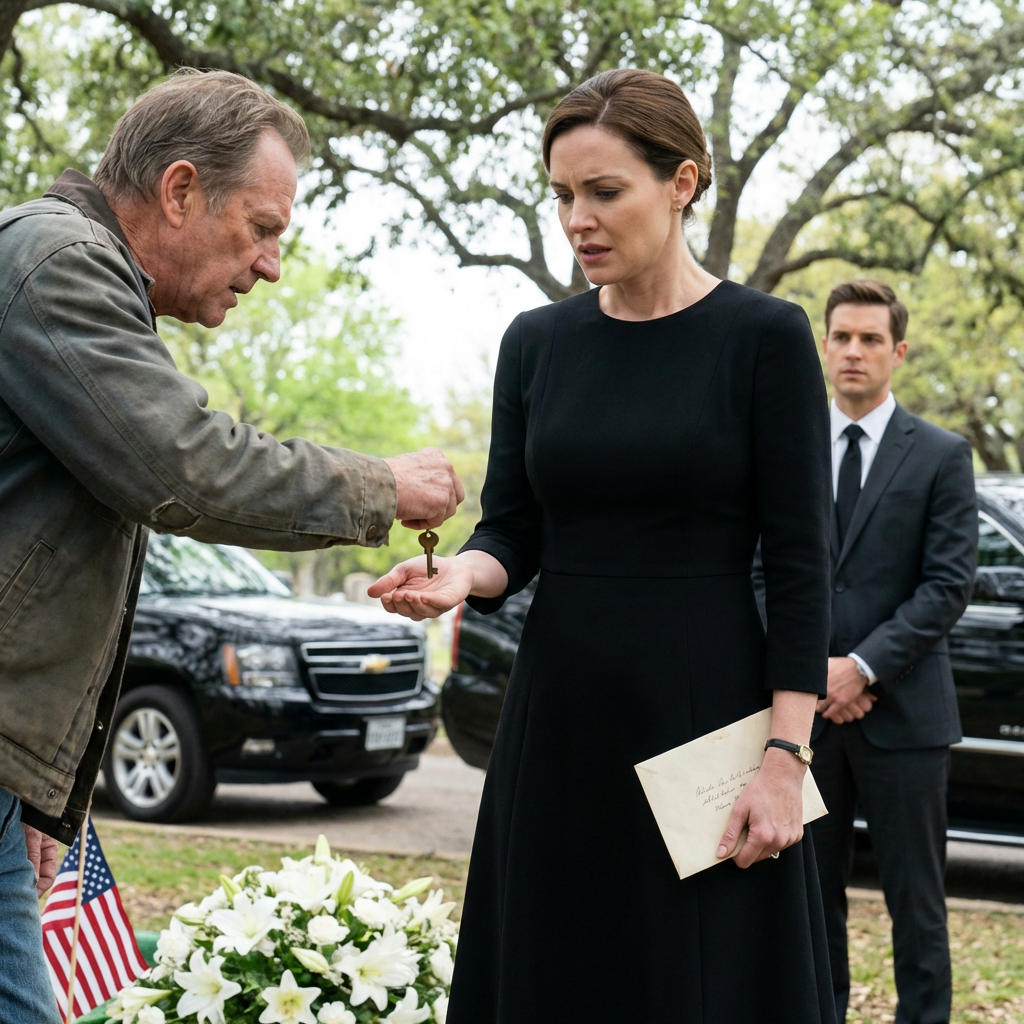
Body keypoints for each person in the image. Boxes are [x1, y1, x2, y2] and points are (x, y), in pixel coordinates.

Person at [370, 68, 836, 1023]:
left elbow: (800, 566)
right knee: (554, 972)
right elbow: (514, 529)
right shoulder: (536, 342)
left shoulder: (766, 337)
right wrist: (462, 572)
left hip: (706, 712)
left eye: (604, 191)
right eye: (563, 195)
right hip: (560, 715)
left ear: (684, 181)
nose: (578, 218)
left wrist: (786, 759)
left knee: (695, 981)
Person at [0, 68, 463, 1023]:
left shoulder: (68, 273)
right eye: (262, 228)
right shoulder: (57, 265)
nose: (271, 265)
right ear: (178, 190)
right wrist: (382, 486)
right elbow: (185, 471)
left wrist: (41, 800)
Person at [807, 280, 978, 1024]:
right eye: (841, 336)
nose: (853, 350)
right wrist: (812, 671)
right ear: (824, 345)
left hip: (905, 716)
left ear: (897, 352)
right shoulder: (788, 449)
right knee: (812, 906)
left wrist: (862, 667)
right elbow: (759, 568)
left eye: (870, 339)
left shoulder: (942, 455)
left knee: (918, 904)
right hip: (804, 715)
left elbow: (948, 584)